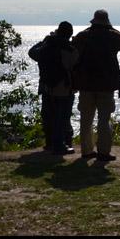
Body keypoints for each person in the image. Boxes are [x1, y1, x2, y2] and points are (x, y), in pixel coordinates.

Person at [72, 9, 120, 161]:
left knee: (86, 119)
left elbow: (74, 44)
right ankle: (103, 152)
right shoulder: (112, 36)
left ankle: (86, 151)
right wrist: (111, 28)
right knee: (104, 120)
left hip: (86, 84)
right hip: (106, 84)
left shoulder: (84, 35)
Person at [28, 22, 77, 153]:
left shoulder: (46, 47)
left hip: (46, 86)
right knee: (63, 117)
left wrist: (43, 41)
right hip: (63, 88)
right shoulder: (69, 49)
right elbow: (74, 64)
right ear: (70, 34)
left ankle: (50, 143)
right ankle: (61, 144)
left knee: (49, 116)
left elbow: (32, 52)